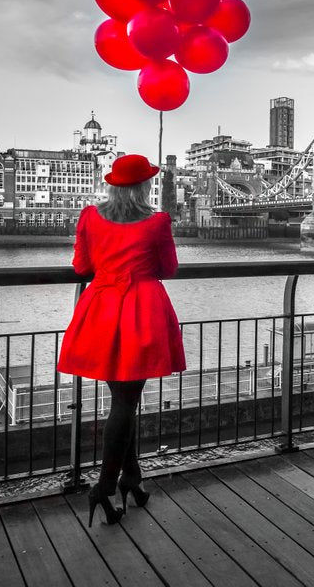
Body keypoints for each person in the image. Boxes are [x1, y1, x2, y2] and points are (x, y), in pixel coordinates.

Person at [57, 153, 186, 527]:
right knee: (126, 403)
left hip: (100, 309)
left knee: (122, 401)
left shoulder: (90, 217)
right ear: (145, 186)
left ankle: (132, 479)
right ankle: (104, 486)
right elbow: (168, 269)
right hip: (142, 312)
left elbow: (81, 268)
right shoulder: (157, 221)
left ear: (113, 185)